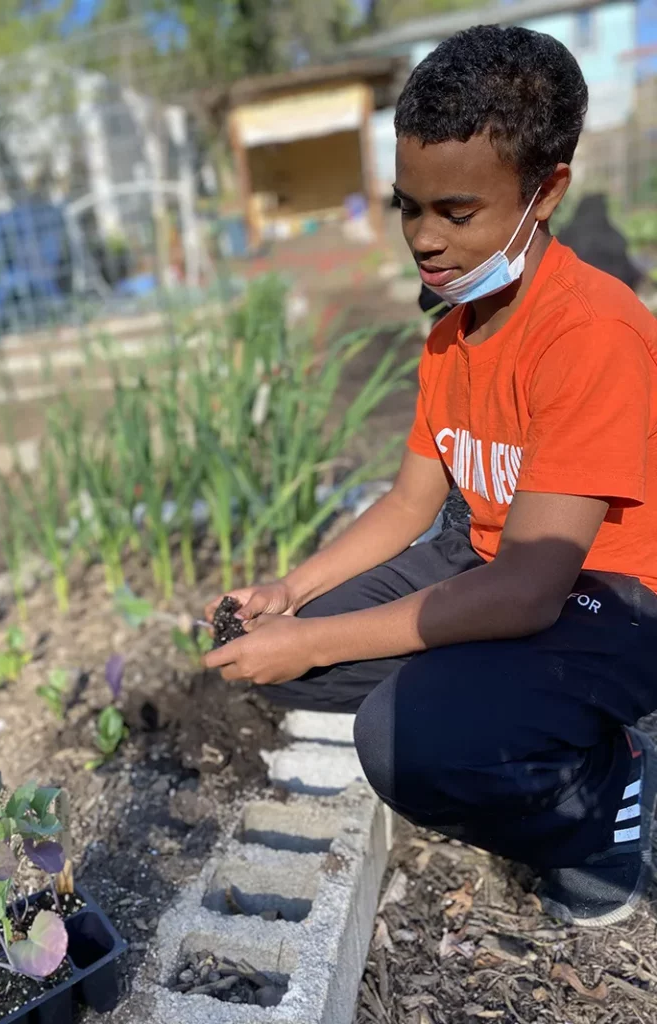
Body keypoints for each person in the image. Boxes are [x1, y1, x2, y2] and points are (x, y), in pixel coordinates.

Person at [203, 25, 657, 928]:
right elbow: (414, 500)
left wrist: (324, 643)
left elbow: (531, 588)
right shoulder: (453, 329)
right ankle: (503, 705)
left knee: (403, 739)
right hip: (491, 560)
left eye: (456, 213)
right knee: (287, 652)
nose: (423, 239)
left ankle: (608, 802)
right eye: (407, 207)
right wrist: (289, 594)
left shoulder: (590, 336)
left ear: (546, 191)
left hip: (615, 591)